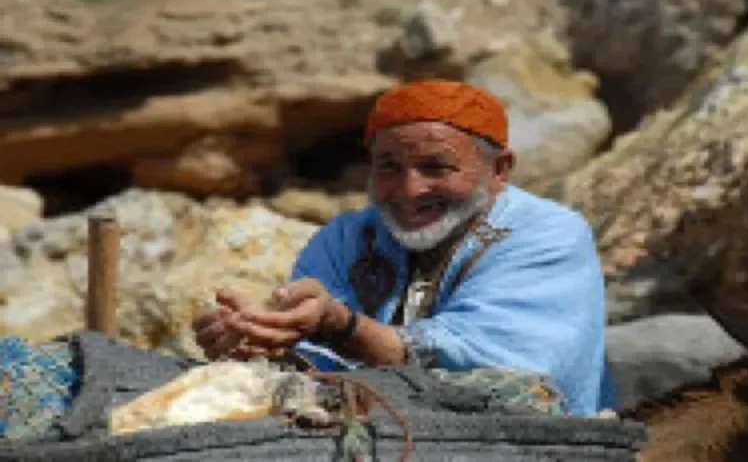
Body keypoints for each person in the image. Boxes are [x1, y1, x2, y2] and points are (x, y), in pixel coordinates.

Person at [191, 79, 616, 415]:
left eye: (436, 167)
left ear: (499, 170)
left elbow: (502, 367)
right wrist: (263, 342)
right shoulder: (347, 237)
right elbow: (319, 365)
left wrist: (342, 325)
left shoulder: (550, 235)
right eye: (389, 167)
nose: (409, 190)